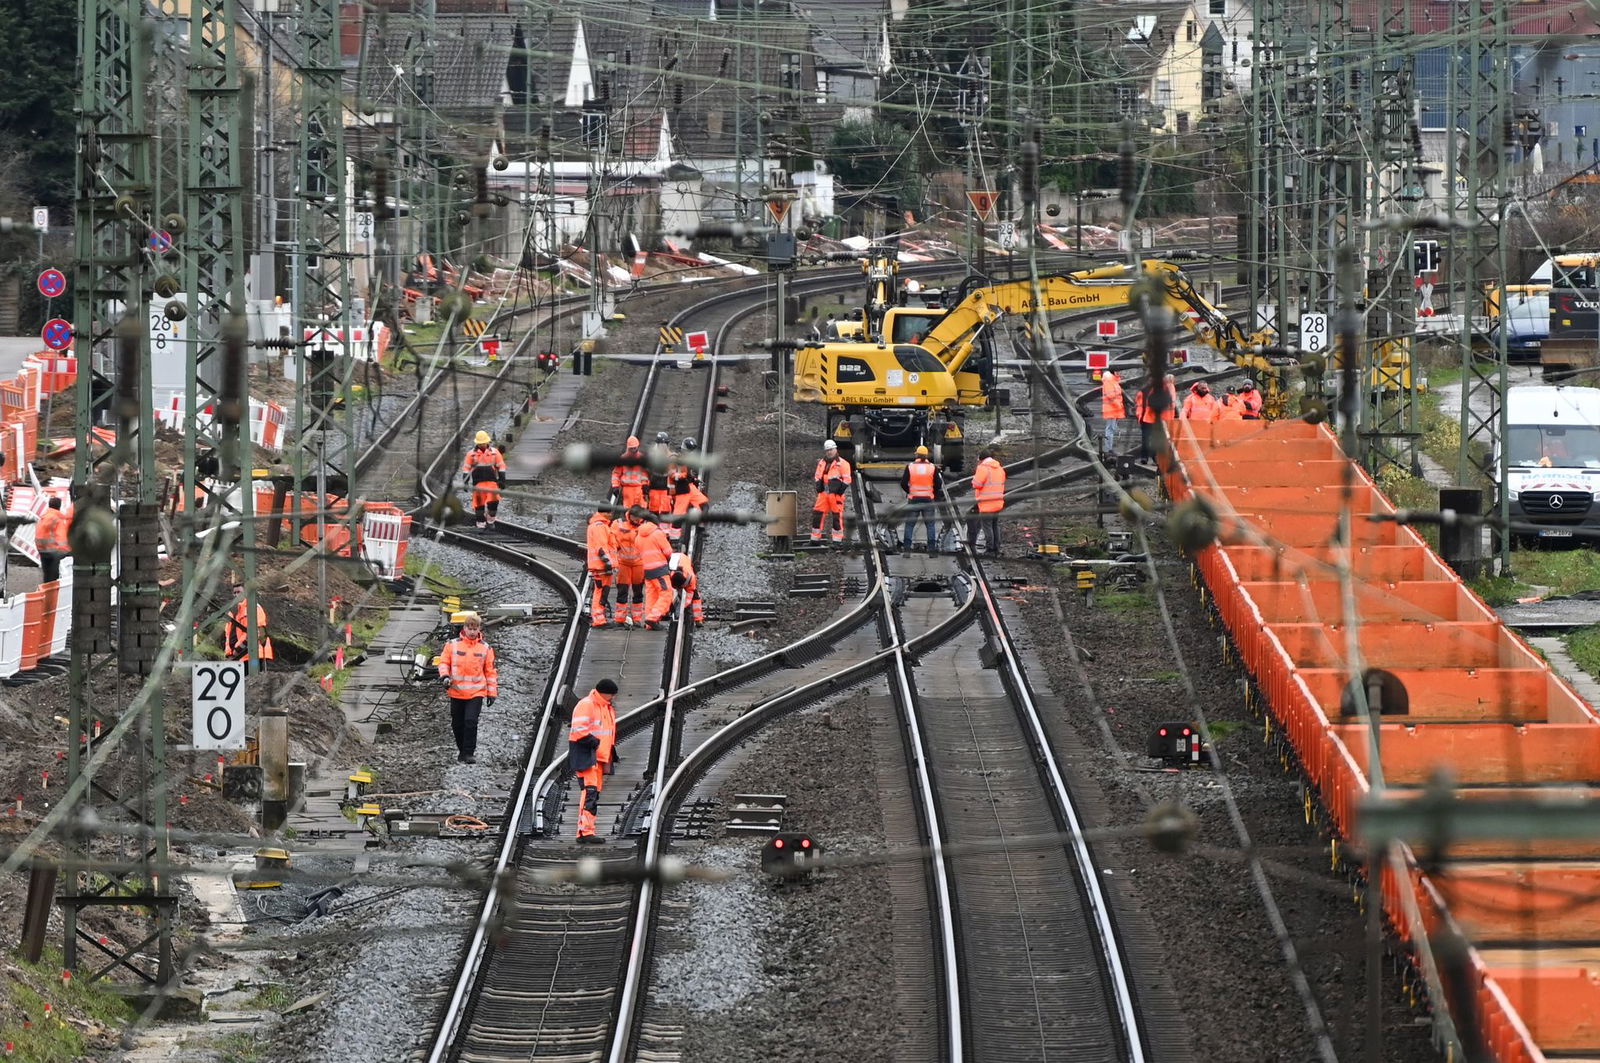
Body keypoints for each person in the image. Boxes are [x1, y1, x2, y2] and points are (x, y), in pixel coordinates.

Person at [438, 611, 497, 764]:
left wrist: (492, 693)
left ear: (479, 629)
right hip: (456, 692)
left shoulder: (485, 648)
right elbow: (444, 663)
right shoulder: (452, 645)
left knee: (471, 721)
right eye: (469, 628)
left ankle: (469, 752)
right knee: (457, 723)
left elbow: (490, 672)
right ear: (464, 628)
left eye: (475, 628)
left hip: (476, 692)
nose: (472, 632)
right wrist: (445, 676)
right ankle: (462, 750)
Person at [569, 678, 619, 844]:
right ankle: (585, 832)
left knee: (593, 793)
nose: (613, 698)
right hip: (588, 756)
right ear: (605, 693)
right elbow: (579, 731)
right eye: (612, 695)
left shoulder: (605, 707)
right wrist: (596, 744)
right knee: (589, 793)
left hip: (599, 758)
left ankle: (585, 831)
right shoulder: (588, 704)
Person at [609, 507, 649, 626]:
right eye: (636, 519)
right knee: (622, 591)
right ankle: (619, 619)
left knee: (638, 591)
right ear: (630, 516)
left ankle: (637, 619)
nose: (637, 521)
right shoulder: (618, 524)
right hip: (623, 563)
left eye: (639, 519)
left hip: (639, 563)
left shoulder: (646, 524)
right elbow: (611, 540)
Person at [638, 510, 677, 629]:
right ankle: (653, 618)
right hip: (659, 569)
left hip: (647, 569)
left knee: (651, 595)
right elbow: (668, 551)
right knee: (666, 593)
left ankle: (649, 622)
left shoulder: (639, 535)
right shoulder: (657, 533)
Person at [461, 431, 507, 528]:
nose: (482, 444)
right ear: (477, 443)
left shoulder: (494, 453)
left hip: (492, 483)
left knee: (493, 503)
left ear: (487, 442)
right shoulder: (471, 454)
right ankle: (481, 523)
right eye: (480, 443)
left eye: (484, 442)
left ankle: (490, 520)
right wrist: (465, 482)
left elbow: (501, 466)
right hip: (478, 484)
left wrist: (502, 479)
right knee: (479, 505)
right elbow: (466, 468)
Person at [899, 445, 942, 551]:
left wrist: (910, 491)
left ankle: (907, 549)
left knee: (909, 525)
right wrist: (933, 493)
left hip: (914, 499)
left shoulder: (910, 467)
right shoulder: (932, 467)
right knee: (930, 525)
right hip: (928, 499)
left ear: (917, 455)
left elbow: (903, 483)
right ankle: (931, 550)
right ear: (926, 455)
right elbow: (938, 483)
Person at [223, 582, 276, 665]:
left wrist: (237, 650)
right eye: (235, 593)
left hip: (254, 655)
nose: (236, 595)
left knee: (253, 676)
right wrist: (229, 654)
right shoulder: (234, 612)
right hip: (239, 658)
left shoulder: (254, 608)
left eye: (239, 592)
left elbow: (257, 632)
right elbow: (229, 636)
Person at [812, 439, 852, 543]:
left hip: (835, 495)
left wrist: (839, 492)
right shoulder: (822, 462)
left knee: (836, 517)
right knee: (817, 515)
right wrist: (818, 486)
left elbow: (847, 480)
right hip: (823, 494)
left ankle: (837, 541)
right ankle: (815, 539)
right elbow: (817, 475)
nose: (829, 452)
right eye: (827, 450)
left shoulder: (843, 463)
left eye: (831, 449)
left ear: (835, 449)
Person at [968, 448, 1006, 556]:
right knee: (995, 525)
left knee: (987, 526)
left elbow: (976, 484)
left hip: (987, 503)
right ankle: (996, 548)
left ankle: (990, 549)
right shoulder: (999, 468)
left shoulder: (983, 468)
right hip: (998, 502)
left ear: (981, 458)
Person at [669, 437, 708, 540]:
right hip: (681, 490)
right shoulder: (675, 459)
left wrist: (694, 480)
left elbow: (688, 474)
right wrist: (683, 476)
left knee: (704, 505)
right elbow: (672, 474)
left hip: (689, 487)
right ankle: (674, 540)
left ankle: (700, 529)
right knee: (678, 516)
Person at [1134, 376, 1179, 460]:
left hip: (1151, 418)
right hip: (1148, 418)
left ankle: (1150, 456)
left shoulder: (1152, 390)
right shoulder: (1147, 391)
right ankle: (1149, 456)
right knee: (1149, 438)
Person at [585, 509, 616, 627]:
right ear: (604, 513)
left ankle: (600, 618)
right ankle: (598, 619)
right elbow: (601, 546)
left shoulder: (598, 525)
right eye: (609, 513)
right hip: (601, 565)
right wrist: (608, 562)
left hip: (600, 565)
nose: (611, 515)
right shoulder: (599, 526)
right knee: (601, 591)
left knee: (602, 591)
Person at [34, 497, 70, 584]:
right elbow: (61, 537)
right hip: (53, 551)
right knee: (53, 576)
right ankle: (52, 594)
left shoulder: (44, 517)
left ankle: (46, 593)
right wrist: (67, 551)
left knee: (47, 575)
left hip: (42, 550)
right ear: (59, 507)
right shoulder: (58, 519)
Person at [611, 436, 648, 510]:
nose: (633, 450)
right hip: (628, 489)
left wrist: (645, 485)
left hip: (639, 488)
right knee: (629, 510)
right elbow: (616, 473)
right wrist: (615, 486)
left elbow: (645, 474)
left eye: (635, 448)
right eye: (632, 448)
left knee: (641, 510)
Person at [669, 552, 704, 624]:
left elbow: (688, 599)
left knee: (695, 597)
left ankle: (698, 619)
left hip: (683, 559)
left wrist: (681, 609)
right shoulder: (669, 574)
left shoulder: (691, 579)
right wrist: (670, 604)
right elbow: (667, 592)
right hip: (675, 559)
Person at [646, 431, 674, 518]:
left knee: (665, 510)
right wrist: (645, 485)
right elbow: (646, 472)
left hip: (666, 488)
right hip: (654, 487)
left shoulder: (671, 457)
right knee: (653, 511)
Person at [1100, 370, 1126, 454]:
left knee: (1112, 429)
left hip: (1114, 409)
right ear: (1113, 372)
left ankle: (1109, 448)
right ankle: (1108, 449)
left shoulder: (1113, 380)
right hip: (1111, 409)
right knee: (1110, 429)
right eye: (1117, 371)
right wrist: (1118, 405)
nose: (1119, 373)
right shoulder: (1109, 380)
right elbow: (1110, 395)